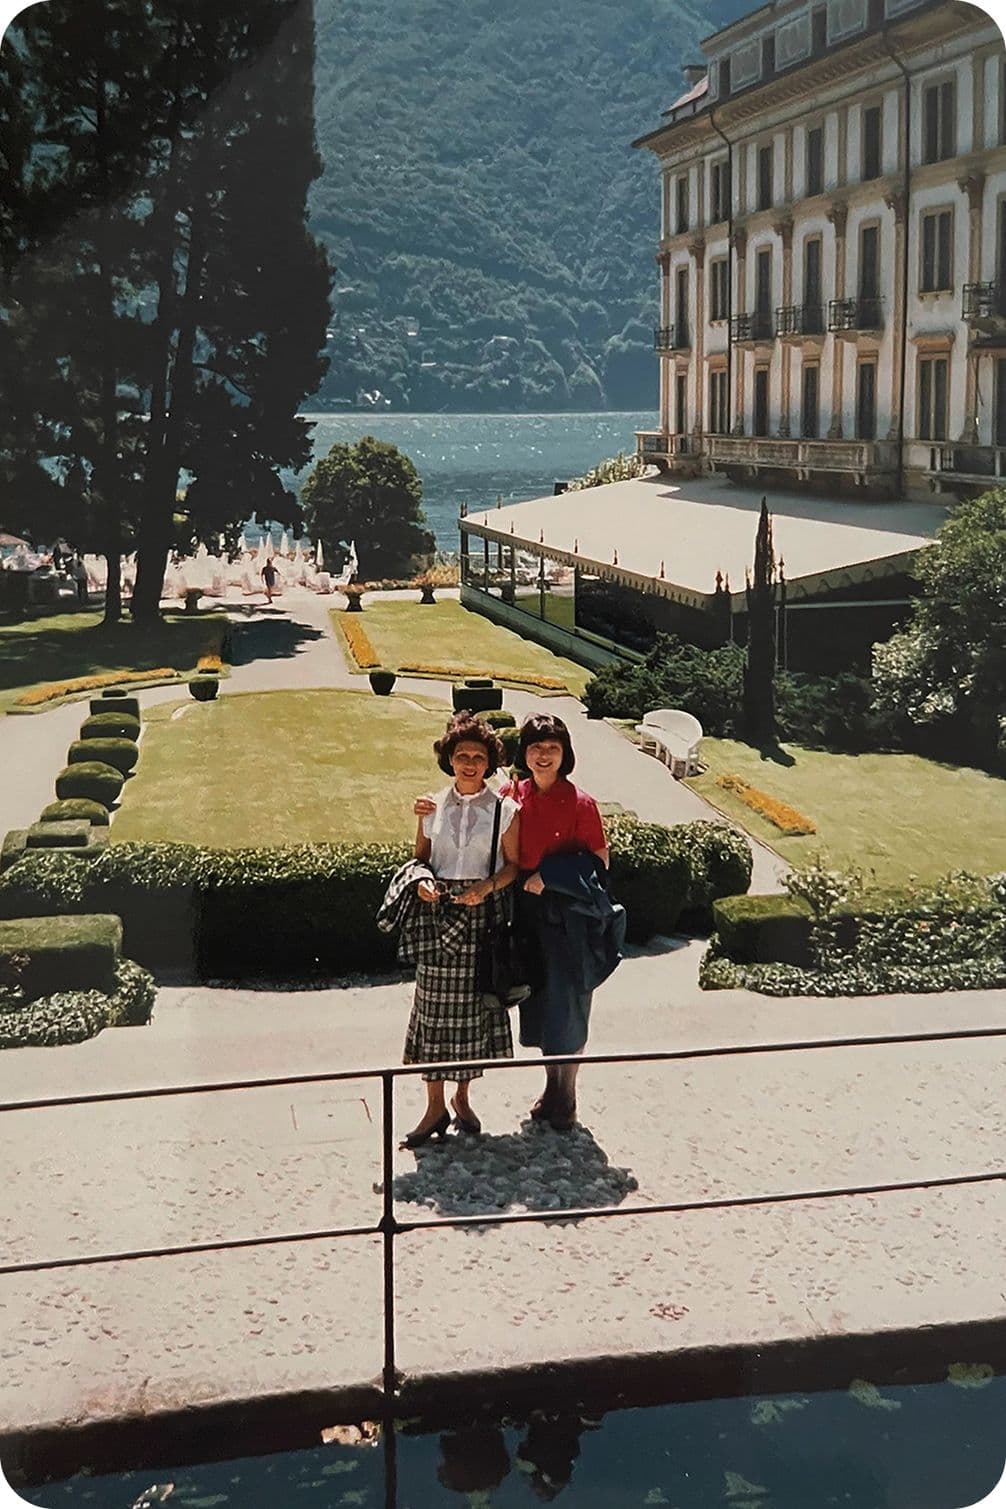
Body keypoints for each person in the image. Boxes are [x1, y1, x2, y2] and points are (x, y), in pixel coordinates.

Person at [380, 714, 521, 1149]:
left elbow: (514, 866)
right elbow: (420, 858)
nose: (470, 763)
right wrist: (422, 882)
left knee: (474, 1015)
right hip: (437, 916)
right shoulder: (431, 805)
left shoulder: (505, 810)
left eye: (478, 756)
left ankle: (462, 1098)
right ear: (449, 760)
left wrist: (487, 887)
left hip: (480, 919)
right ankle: (434, 1107)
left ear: (490, 762)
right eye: (462, 755)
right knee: (434, 1014)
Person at [508, 713, 623, 1131]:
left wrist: (551, 875)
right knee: (541, 1005)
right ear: (524, 752)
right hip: (528, 915)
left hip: (570, 917)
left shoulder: (581, 803)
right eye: (536, 747)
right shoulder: (512, 794)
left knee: (570, 1006)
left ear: (565, 754)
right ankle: (550, 1088)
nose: (543, 755)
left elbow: (601, 862)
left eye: (552, 748)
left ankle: (568, 1095)